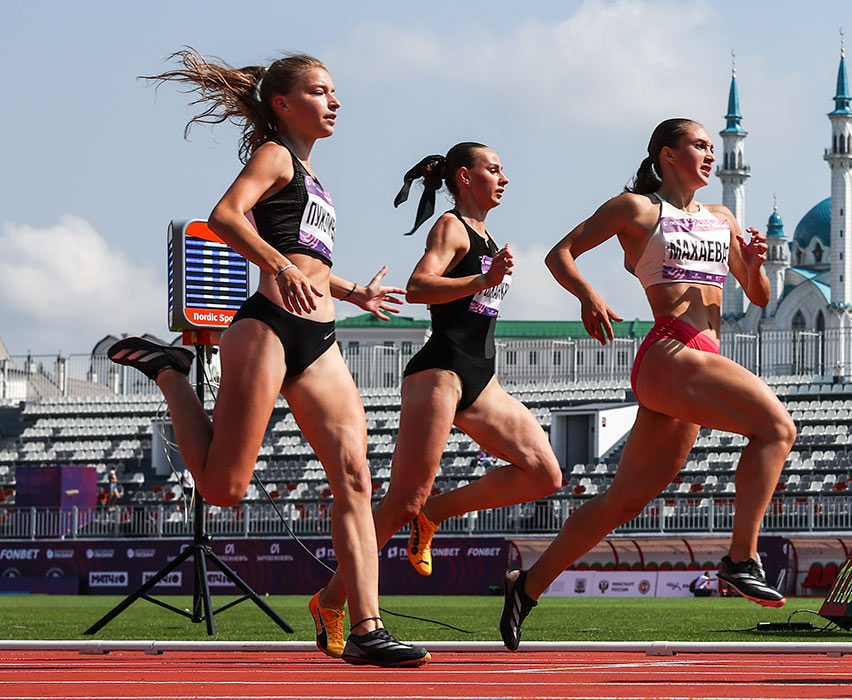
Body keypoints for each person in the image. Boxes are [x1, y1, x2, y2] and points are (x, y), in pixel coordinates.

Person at [107, 49, 428, 668]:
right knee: (224, 489)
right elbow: (224, 216)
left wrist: (353, 291)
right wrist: (277, 265)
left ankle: (366, 627)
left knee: (356, 479)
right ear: (283, 104)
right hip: (268, 329)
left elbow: (309, 263)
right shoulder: (276, 156)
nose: (334, 102)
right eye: (320, 92)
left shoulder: (316, 180)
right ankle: (173, 374)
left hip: (321, 341)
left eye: (335, 92)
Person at [499, 118, 797, 649]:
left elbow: (758, 297)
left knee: (622, 503)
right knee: (777, 428)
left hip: (701, 359)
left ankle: (527, 587)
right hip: (671, 350)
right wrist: (588, 295)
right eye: (700, 146)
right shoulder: (636, 208)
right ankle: (740, 558)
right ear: (667, 154)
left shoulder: (722, 216)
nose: (711, 155)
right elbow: (559, 254)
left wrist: (752, 267)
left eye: (712, 146)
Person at [312, 142, 563, 630]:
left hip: (480, 376)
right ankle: (330, 600)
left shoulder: (490, 239)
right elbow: (420, 286)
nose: (504, 178)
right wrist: (480, 280)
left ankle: (434, 515)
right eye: (494, 169)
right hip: (441, 371)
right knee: (400, 502)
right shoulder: (451, 227)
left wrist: (487, 276)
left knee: (544, 474)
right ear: (465, 178)